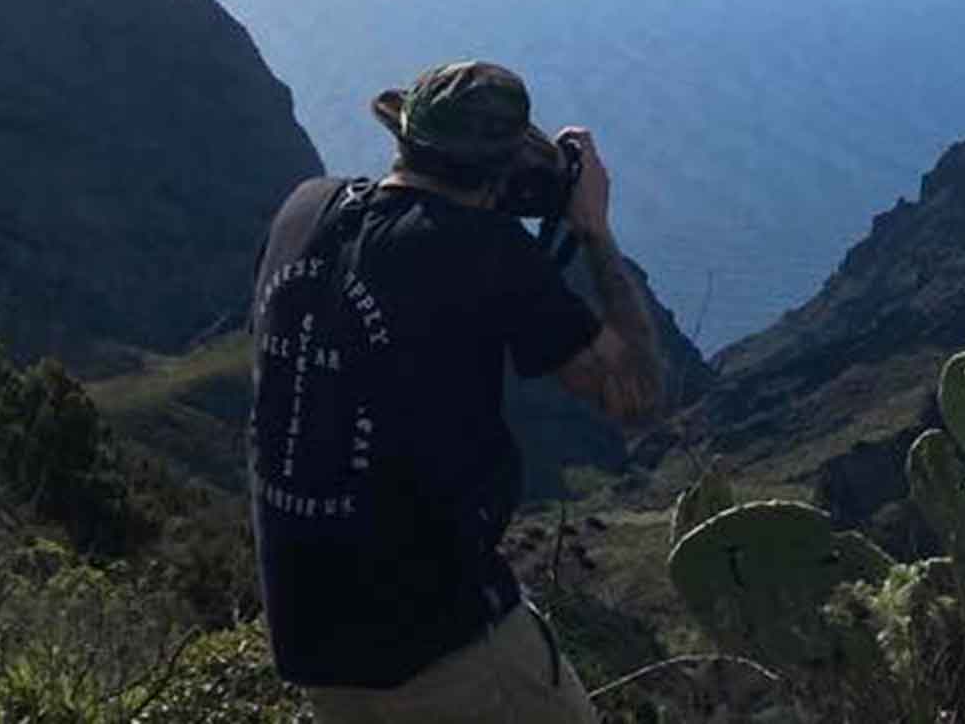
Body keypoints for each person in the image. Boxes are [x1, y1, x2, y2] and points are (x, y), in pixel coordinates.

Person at [247, 59, 664, 723]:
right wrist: (594, 230)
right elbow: (634, 393)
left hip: (309, 637)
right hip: (440, 640)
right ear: (501, 171)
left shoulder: (305, 210)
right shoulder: (483, 252)